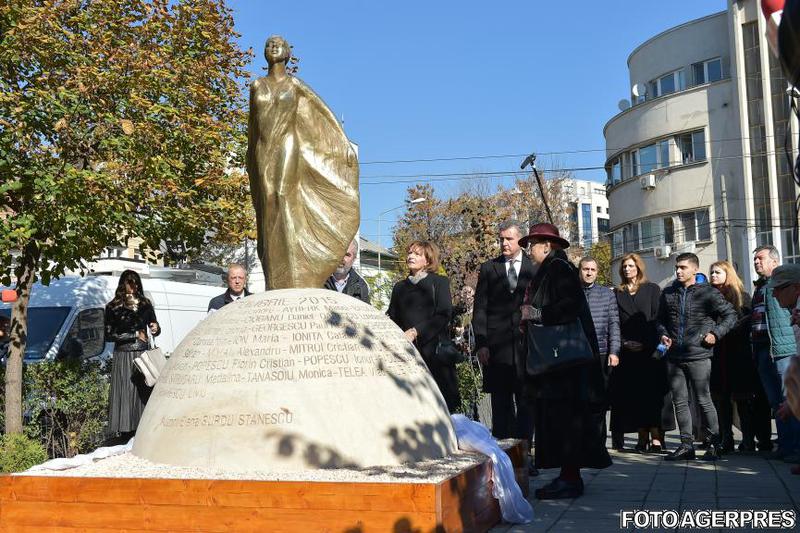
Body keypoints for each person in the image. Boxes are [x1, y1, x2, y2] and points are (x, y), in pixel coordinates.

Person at [247, 35, 359, 290]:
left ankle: (296, 268)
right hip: (263, 149)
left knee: (284, 195)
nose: (273, 46)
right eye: (269, 44)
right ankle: (275, 275)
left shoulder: (295, 85)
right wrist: (249, 160)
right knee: (267, 204)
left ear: (287, 53)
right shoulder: (256, 86)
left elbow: (323, 115)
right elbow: (252, 127)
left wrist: (343, 147)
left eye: (279, 44)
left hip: (289, 145)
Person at [519, 223, 611, 500]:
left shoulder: (557, 268)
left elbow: (568, 306)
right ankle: (567, 476)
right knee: (562, 420)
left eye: (530, 245)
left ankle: (570, 479)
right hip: (560, 363)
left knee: (567, 420)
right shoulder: (553, 268)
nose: (528, 250)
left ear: (546, 246)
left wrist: (537, 314)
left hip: (564, 365)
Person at [658, 253, 736, 461]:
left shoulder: (708, 293)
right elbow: (660, 320)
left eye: (683, 267)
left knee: (704, 400)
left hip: (699, 354)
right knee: (680, 402)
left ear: (694, 269)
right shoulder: (668, 293)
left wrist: (715, 334)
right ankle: (686, 446)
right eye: (677, 267)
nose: (678, 271)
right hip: (674, 356)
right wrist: (663, 334)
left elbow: (730, 315)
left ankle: (713, 444)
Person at [473, 220, 535, 445]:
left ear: (521, 239)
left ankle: (525, 454)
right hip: (496, 347)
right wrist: (481, 343)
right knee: (501, 403)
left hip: (526, 346)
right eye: (501, 239)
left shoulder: (533, 267)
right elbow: (480, 308)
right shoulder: (489, 268)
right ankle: (503, 453)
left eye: (509, 238)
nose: (504, 243)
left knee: (526, 402)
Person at [610, 253, 673, 453]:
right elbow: (614, 323)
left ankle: (656, 437)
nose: (627, 269)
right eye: (625, 266)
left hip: (650, 351)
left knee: (652, 396)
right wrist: (623, 342)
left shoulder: (652, 289)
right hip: (627, 353)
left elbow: (657, 319)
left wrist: (647, 344)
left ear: (639, 267)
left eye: (631, 266)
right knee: (634, 396)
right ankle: (641, 436)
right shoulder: (617, 293)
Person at [387, 241, 460, 412]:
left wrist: (416, 331)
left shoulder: (439, 282)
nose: (410, 256)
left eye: (417, 254)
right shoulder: (399, 287)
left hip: (435, 354)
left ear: (427, 260)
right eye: (410, 253)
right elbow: (393, 316)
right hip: (408, 354)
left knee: (441, 405)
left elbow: (444, 314)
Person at [708, 260, 771, 453]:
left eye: (717, 272)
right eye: (711, 273)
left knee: (742, 399)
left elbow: (746, 322)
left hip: (738, 353)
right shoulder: (708, 296)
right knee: (721, 399)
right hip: (717, 353)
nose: (713, 276)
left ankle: (748, 439)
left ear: (728, 273)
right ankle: (727, 438)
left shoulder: (741, 296)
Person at [752, 245, 800, 462]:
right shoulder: (760, 287)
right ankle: (784, 446)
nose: (756, 262)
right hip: (764, 348)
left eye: (760, 258)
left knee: (791, 399)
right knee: (777, 403)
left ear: (774, 261)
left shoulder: (785, 284)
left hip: (785, 349)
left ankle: (796, 449)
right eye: (755, 259)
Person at [105, 270, 160, 441]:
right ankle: (125, 433)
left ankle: (144, 429)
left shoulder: (145, 304)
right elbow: (108, 335)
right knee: (125, 394)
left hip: (142, 353)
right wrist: (134, 335)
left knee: (143, 393)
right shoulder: (113, 307)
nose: (133, 286)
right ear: (123, 284)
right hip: (123, 354)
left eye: (135, 282)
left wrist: (155, 328)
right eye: (129, 282)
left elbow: (155, 325)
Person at [579, 256, 621, 429]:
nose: (589, 273)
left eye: (592, 270)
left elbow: (614, 324)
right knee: (579, 400)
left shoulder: (607, 294)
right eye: (585, 269)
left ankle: (599, 440)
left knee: (599, 401)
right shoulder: (570, 292)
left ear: (597, 272)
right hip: (576, 353)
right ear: (579, 270)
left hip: (602, 353)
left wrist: (614, 351)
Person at [323, 239, 370, 303]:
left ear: (354, 259)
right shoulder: (319, 280)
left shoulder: (361, 286)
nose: (342, 258)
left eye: (347, 255)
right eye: (339, 253)